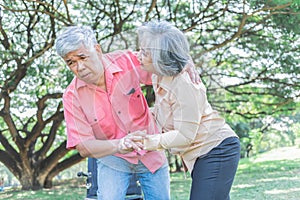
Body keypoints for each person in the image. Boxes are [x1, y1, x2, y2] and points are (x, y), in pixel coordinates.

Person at [55, 26, 171, 200]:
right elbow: (83, 146)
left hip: (151, 149)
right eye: (71, 62)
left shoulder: (126, 60)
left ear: (97, 49)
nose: (79, 67)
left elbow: (163, 75)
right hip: (113, 158)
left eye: (82, 57)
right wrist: (120, 144)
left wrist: (165, 113)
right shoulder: (72, 96)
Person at [135, 21, 241, 200]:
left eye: (145, 52)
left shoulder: (184, 84)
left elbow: (185, 135)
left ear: (161, 56)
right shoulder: (158, 75)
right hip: (201, 155)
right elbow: (167, 112)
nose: (139, 55)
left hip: (216, 149)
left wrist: (146, 142)